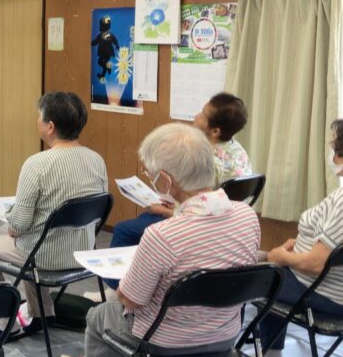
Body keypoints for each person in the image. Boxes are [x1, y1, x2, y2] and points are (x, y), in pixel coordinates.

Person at [60, 123, 261, 357]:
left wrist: (131, 279)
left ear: (166, 182)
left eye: (153, 176)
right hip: (225, 337)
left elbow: (129, 300)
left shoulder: (162, 236)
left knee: (100, 315)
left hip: (165, 343)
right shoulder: (247, 217)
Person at [0, 92, 108, 331]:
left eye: (39, 117)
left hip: (44, 257)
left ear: (50, 126)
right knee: (35, 239)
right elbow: (97, 211)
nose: (37, 121)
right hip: (83, 252)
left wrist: (11, 221)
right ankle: (42, 314)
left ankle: (6, 324)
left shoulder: (36, 164)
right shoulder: (96, 160)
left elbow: (19, 226)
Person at [108, 92, 252, 251]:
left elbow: (197, 216)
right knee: (145, 218)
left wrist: (162, 210)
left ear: (215, 131)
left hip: (202, 225)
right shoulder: (238, 150)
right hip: (225, 222)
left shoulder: (206, 163)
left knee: (124, 229)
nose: (196, 116)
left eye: (203, 115)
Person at [257, 119, 343, 357]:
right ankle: (271, 356)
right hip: (325, 285)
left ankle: (234, 355)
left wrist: (283, 257)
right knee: (264, 263)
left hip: (323, 292)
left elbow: (316, 264)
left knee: (252, 276)